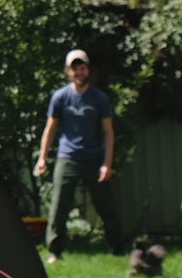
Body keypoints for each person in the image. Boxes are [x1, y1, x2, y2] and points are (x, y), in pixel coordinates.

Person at [33, 48, 120, 263]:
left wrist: (107, 164)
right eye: (75, 69)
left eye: (82, 68)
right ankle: (54, 251)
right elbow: (50, 129)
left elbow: (109, 132)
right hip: (67, 157)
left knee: (105, 205)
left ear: (87, 70)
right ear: (68, 72)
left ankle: (118, 249)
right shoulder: (61, 97)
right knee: (59, 206)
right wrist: (42, 157)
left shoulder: (99, 98)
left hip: (93, 158)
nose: (79, 72)